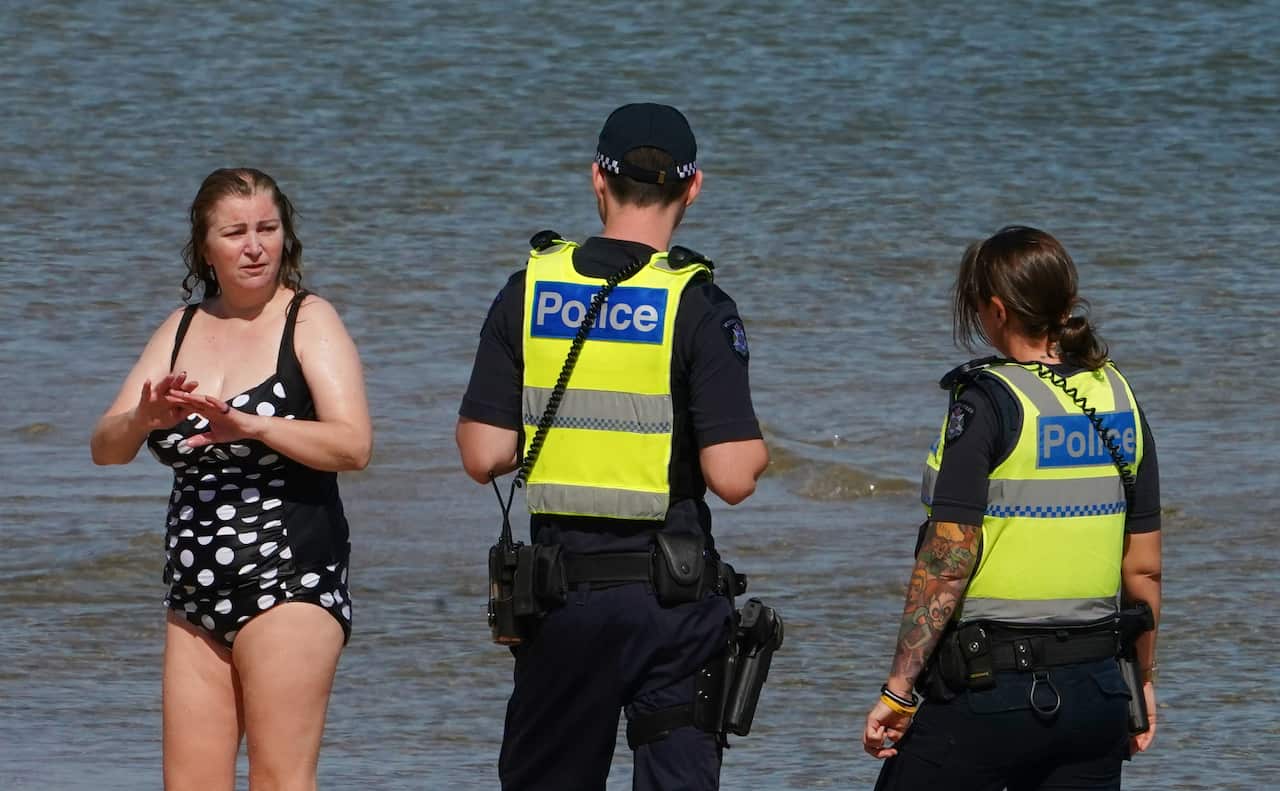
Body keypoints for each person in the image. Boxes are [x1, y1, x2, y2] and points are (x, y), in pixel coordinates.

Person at [456, 103, 769, 790]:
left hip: (562, 601)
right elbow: (735, 475)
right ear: (693, 188)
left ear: (598, 179)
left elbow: (483, 453)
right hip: (671, 602)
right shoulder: (698, 303)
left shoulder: (529, 289)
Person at [90, 168, 372, 791]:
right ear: (205, 248)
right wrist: (143, 417)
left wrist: (254, 427)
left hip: (290, 580)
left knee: (278, 780)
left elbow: (353, 446)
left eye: (268, 229)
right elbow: (105, 448)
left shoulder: (308, 320)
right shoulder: (181, 327)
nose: (255, 246)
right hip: (193, 595)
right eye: (236, 232)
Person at [862, 226, 1162, 790]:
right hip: (1097, 693)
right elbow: (1143, 569)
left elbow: (947, 559)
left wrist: (898, 690)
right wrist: (1141, 682)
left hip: (990, 691)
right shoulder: (1121, 398)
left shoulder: (987, 402)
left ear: (996, 310)